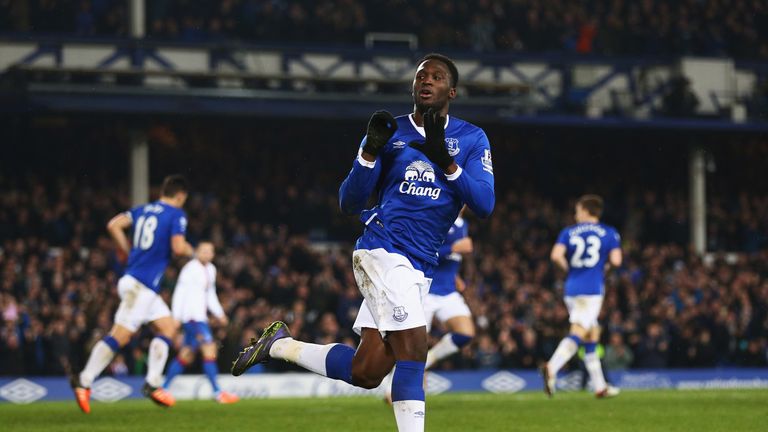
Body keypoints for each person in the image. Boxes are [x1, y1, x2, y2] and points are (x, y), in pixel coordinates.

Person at [231, 53, 495, 432]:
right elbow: (349, 203)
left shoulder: (471, 138)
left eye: (436, 77)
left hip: (421, 263)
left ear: (451, 90)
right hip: (384, 251)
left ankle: (278, 345)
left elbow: (484, 205)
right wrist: (368, 153)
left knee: (367, 371)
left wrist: (447, 163)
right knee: (414, 352)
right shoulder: (392, 133)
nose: (426, 80)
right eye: (421, 75)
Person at [70, 175, 194, 413]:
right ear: (180, 196)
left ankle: (153, 383)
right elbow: (178, 247)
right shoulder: (176, 214)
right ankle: (84, 380)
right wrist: (192, 250)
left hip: (139, 283)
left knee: (168, 327)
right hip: (141, 285)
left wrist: (126, 249)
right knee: (121, 336)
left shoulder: (143, 209)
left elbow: (113, 225)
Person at [383, 208, 475, 403]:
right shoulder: (439, 217)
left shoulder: (462, 224)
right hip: (426, 291)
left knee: (466, 333)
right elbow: (422, 251)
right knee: (411, 345)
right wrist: (453, 248)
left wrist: (456, 276)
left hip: (448, 291)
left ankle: (428, 362)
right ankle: (391, 390)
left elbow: (450, 260)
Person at [542, 194, 622, 399]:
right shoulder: (609, 233)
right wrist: (604, 270)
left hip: (572, 287)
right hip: (592, 289)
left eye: (578, 210)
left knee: (592, 333)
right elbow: (616, 260)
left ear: (587, 210)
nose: (576, 214)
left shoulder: (568, 232)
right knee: (578, 330)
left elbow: (556, 255)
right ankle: (552, 367)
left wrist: (569, 270)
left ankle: (600, 386)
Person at [162, 241, 239, 404]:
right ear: (197, 252)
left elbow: (210, 294)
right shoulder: (190, 269)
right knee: (209, 348)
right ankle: (218, 392)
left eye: (210, 251)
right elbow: (179, 292)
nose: (206, 254)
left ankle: (164, 388)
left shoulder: (211, 269)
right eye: (203, 251)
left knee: (187, 355)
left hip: (200, 318)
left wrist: (219, 313)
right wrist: (176, 316)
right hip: (191, 317)